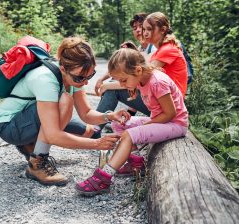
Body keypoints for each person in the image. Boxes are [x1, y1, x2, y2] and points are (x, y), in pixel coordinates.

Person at [0, 37, 130, 186]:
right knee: (65, 101)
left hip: (30, 117)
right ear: (63, 69)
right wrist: (97, 144)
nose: (85, 82)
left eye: (90, 76)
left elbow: (86, 113)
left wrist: (109, 116)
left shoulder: (74, 76)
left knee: (89, 131)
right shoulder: (46, 79)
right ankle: (37, 164)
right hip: (9, 126)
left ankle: (31, 143)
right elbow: (53, 135)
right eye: (80, 78)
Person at [75, 48, 189, 196]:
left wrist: (146, 125)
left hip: (175, 124)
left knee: (129, 134)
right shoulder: (141, 79)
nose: (122, 85)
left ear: (138, 70)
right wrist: (129, 116)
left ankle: (103, 178)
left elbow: (170, 113)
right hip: (162, 121)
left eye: (123, 80)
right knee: (119, 123)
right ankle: (136, 162)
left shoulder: (157, 82)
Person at [94, 13, 155, 132]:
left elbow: (143, 77)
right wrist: (102, 79)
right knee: (115, 81)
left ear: (149, 28)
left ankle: (95, 129)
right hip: (151, 98)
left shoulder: (154, 48)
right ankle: (106, 120)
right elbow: (120, 69)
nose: (138, 30)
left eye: (141, 26)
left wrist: (107, 85)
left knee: (113, 88)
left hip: (162, 105)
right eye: (134, 28)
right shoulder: (142, 48)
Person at [143, 11, 188, 96]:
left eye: (149, 29)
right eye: (144, 29)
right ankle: (128, 110)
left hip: (172, 102)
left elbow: (142, 76)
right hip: (163, 96)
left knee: (115, 91)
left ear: (163, 30)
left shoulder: (168, 49)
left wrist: (109, 86)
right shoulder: (160, 50)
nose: (145, 33)